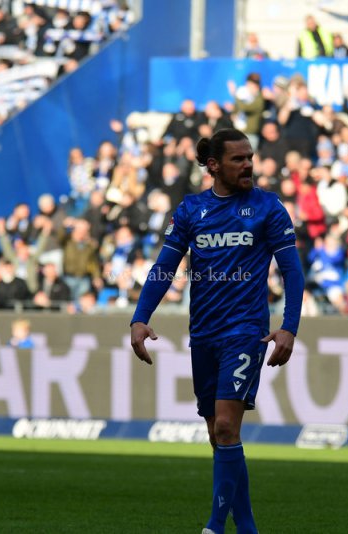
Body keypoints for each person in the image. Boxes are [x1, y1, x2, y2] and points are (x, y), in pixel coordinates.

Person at [130, 128, 304, 534]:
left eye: (250, 157)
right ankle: (247, 528)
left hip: (245, 332)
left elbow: (292, 272)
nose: (248, 165)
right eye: (238, 159)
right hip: (203, 333)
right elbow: (165, 266)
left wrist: (288, 327)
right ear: (213, 166)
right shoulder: (191, 210)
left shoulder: (268, 208)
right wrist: (140, 316)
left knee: (227, 427)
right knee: (217, 434)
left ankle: (213, 526)